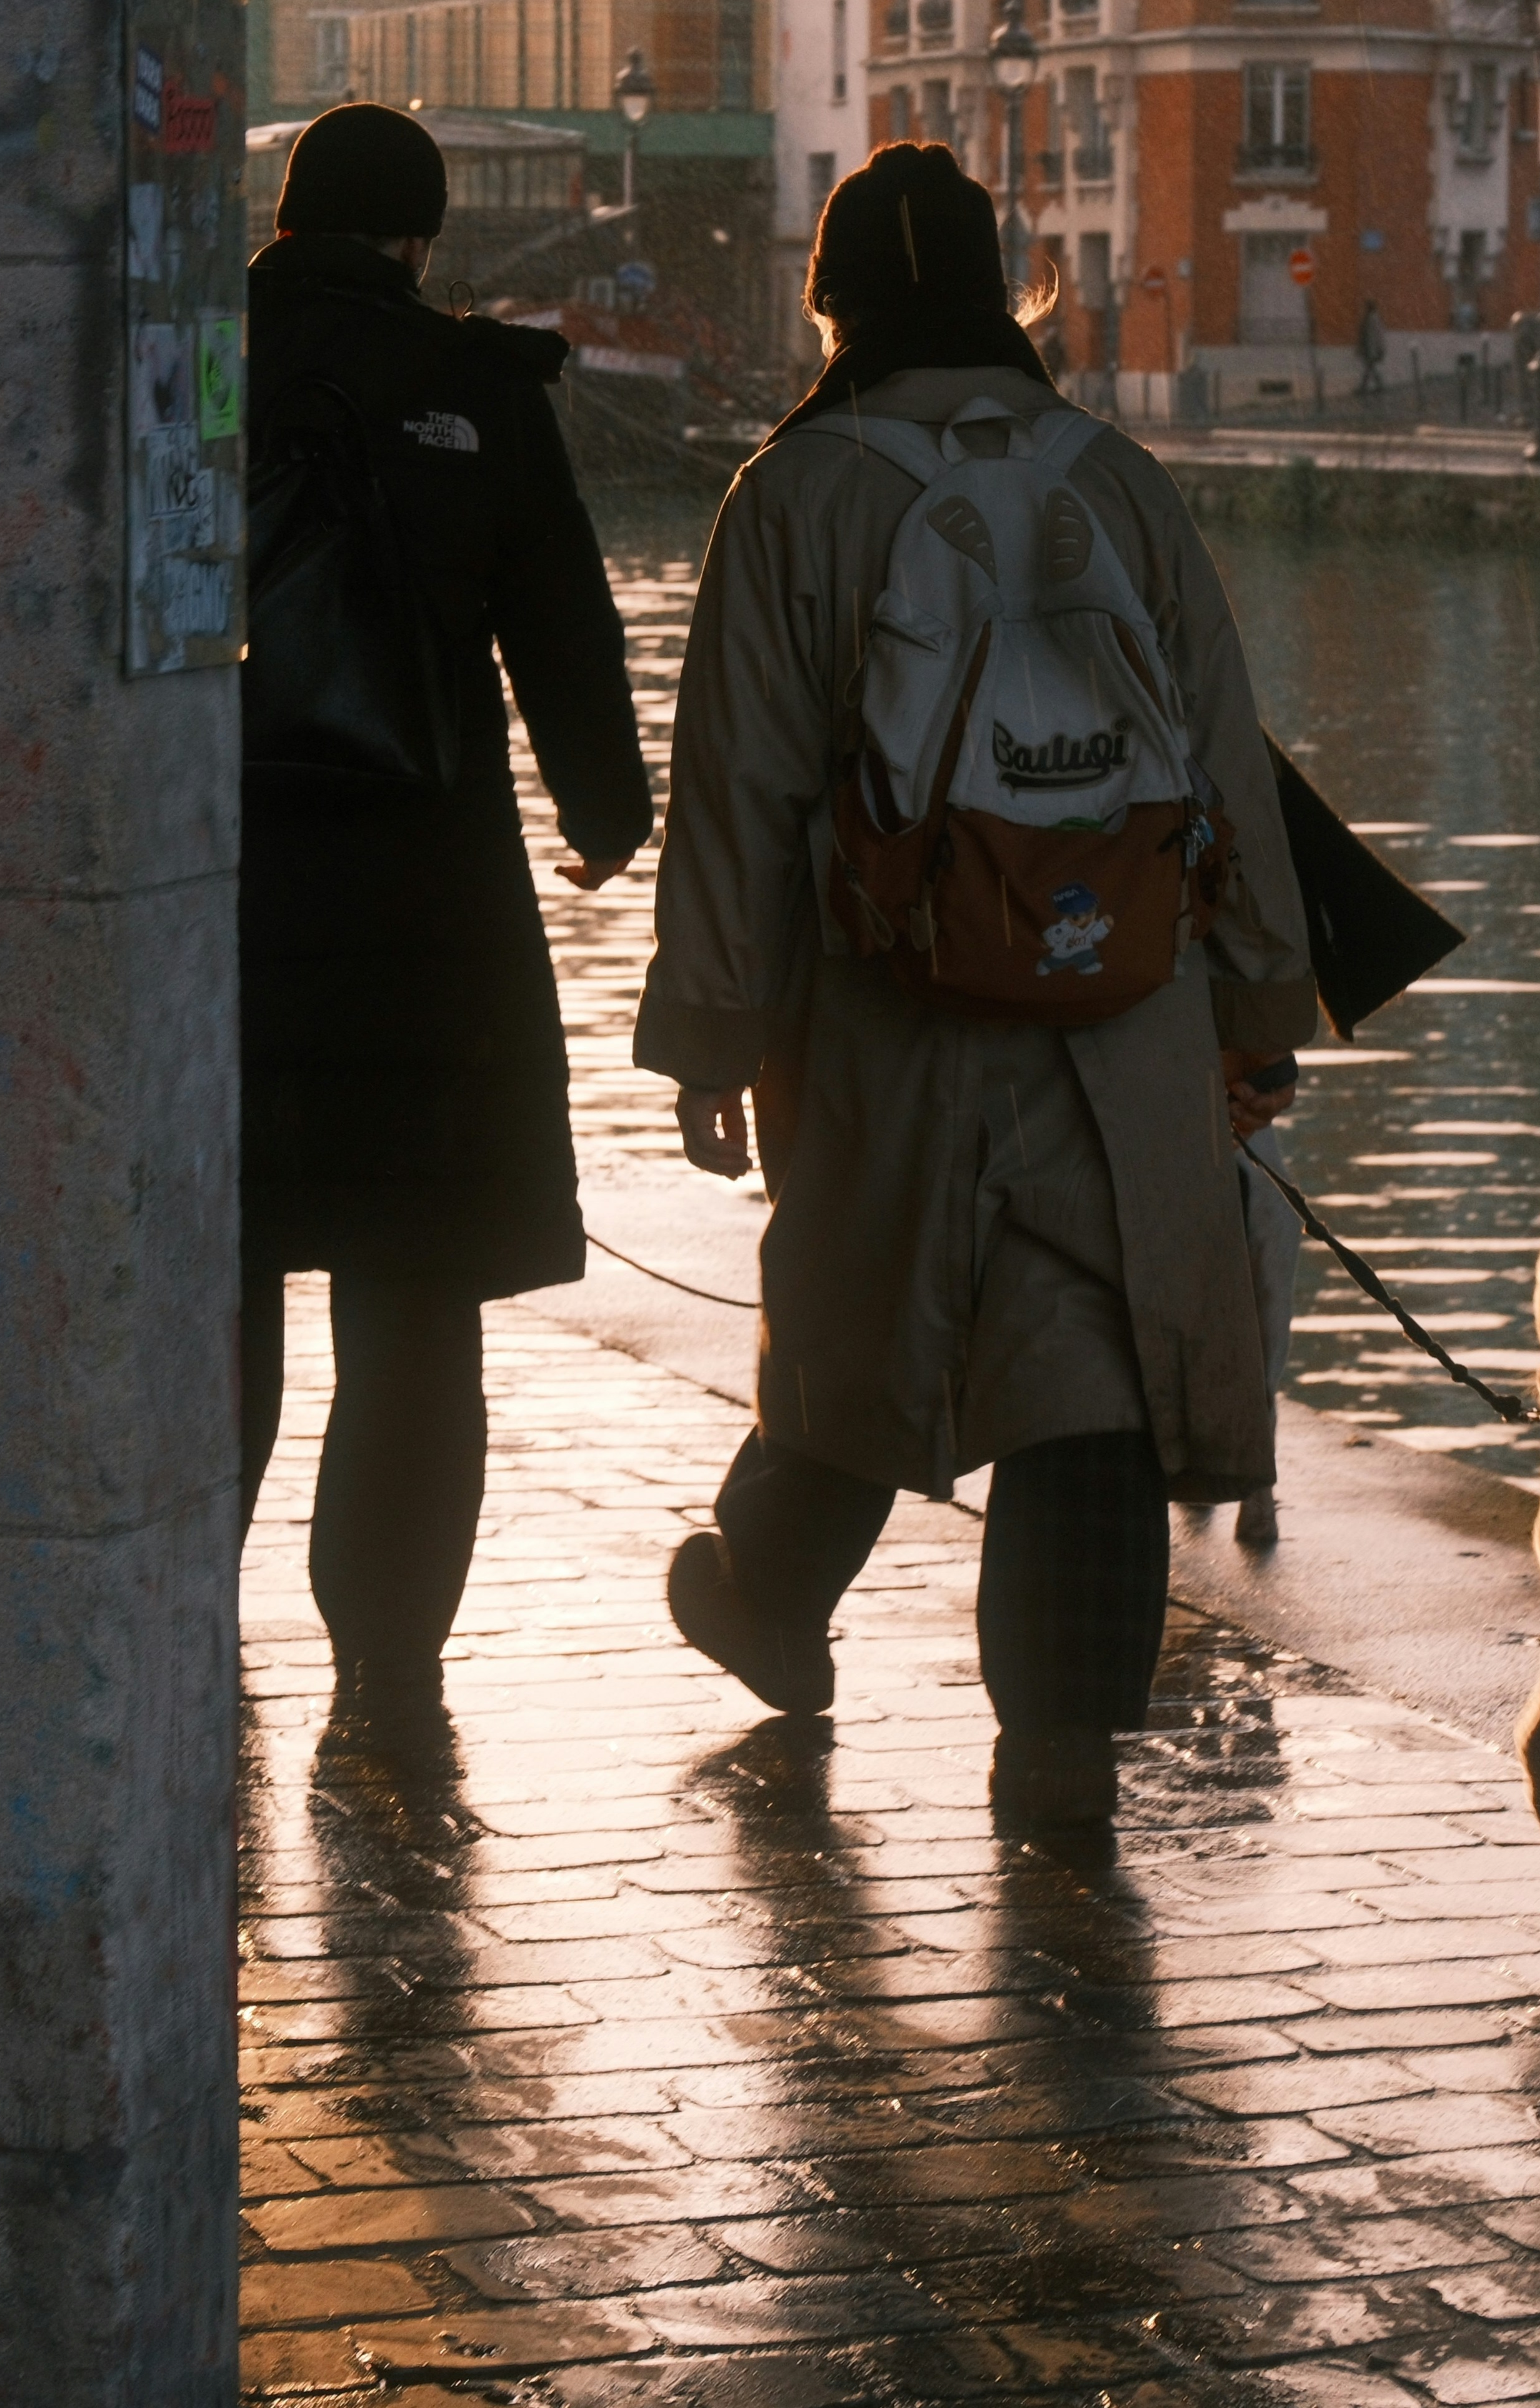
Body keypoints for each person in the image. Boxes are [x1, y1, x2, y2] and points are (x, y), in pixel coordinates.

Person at [636, 141, 1317, 1826]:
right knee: (1086, 1379)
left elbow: (736, 790)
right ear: (1001, 293)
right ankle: (1063, 1756)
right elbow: (1228, 763)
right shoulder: (1120, 483)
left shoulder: (795, 497)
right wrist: (1255, 1011)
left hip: (891, 1023)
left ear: (837, 307)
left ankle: (770, 1600)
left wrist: (711, 1036)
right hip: (1125, 1015)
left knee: (875, 1331)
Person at [236, 102, 652, 1727]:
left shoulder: (198, 367)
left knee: (226, 1276)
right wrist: (609, 825)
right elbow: (569, 630)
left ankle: (191, 1616)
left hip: (226, 905)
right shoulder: (480, 391)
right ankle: (386, 1671)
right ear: (422, 240)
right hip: (431, 922)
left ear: (285, 222)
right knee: (412, 1307)